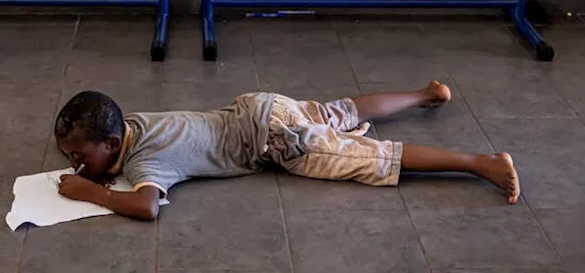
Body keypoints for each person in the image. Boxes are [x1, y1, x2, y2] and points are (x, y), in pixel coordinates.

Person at [53, 82, 519, 221]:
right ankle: (425, 93)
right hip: (264, 107)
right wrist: (89, 163)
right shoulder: (133, 121)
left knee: (371, 158)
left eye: (80, 158)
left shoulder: (143, 161)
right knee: (341, 110)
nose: (75, 165)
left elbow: (147, 206)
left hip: (276, 142)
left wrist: (86, 189)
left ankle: (482, 163)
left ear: (113, 145)